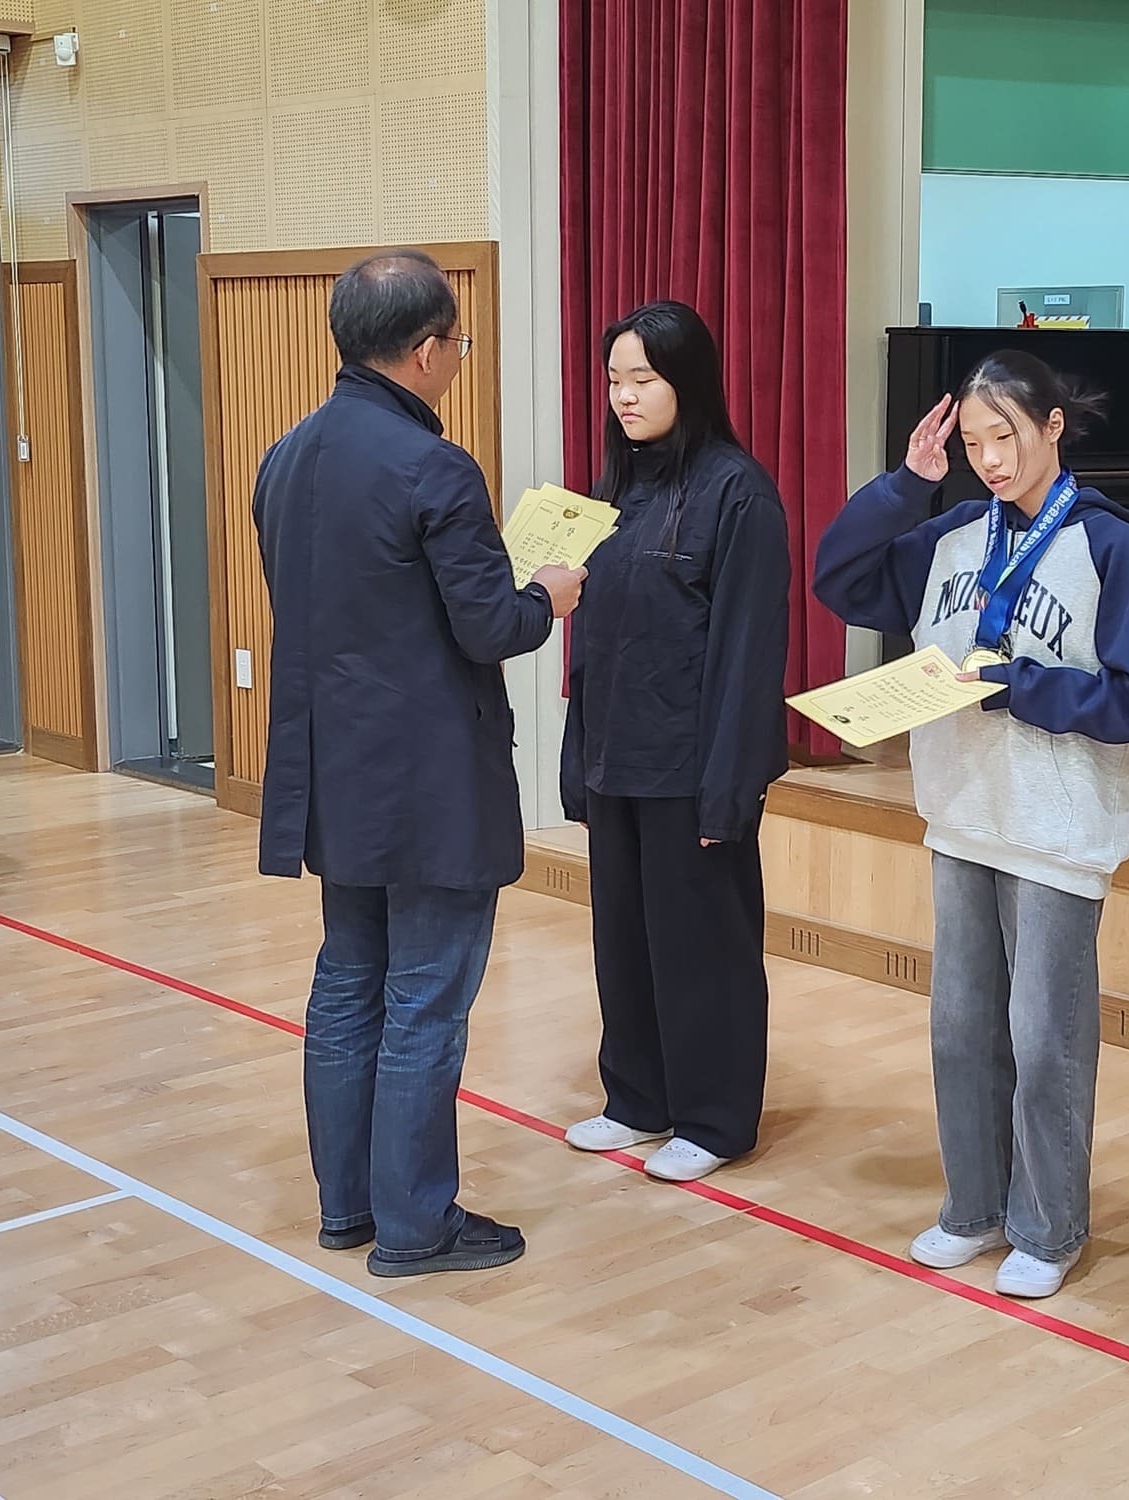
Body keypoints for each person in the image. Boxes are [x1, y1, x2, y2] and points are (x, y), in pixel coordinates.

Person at [813, 351, 1129, 1299]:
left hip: (1058, 830)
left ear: (1053, 427)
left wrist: (1017, 685)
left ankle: (1049, 1226)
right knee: (960, 1030)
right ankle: (973, 1208)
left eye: (1005, 437)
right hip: (962, 814)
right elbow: (840, 577)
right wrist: (909, 481)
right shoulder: (951, 534)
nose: (988, 459)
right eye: (973, 441)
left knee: (1043, 1036)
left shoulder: (1106, 545)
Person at [251, 249, 584, 1278]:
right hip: (428, 780)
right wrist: (551, 595)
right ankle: (415, 1226)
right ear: (430, 349)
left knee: (348, 986)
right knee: (424, 1002)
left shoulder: (286, 454)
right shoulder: (432, 466)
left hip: (329, 770)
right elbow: (488, 627)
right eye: (457, 344)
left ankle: (348, 1208)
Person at [558, 301, 790, 1184]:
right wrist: (580, 760)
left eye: (643, 379)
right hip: (619, 758)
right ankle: (638, 1099)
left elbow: (744, 656)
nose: (623, 395)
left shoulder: (739, 492)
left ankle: (715, 1115)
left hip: (693, 769)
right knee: (625, 941)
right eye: (615, 379)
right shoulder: (616, 489)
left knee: (704, 948)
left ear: (686, 381)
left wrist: (728, 789)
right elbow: (595, 642)